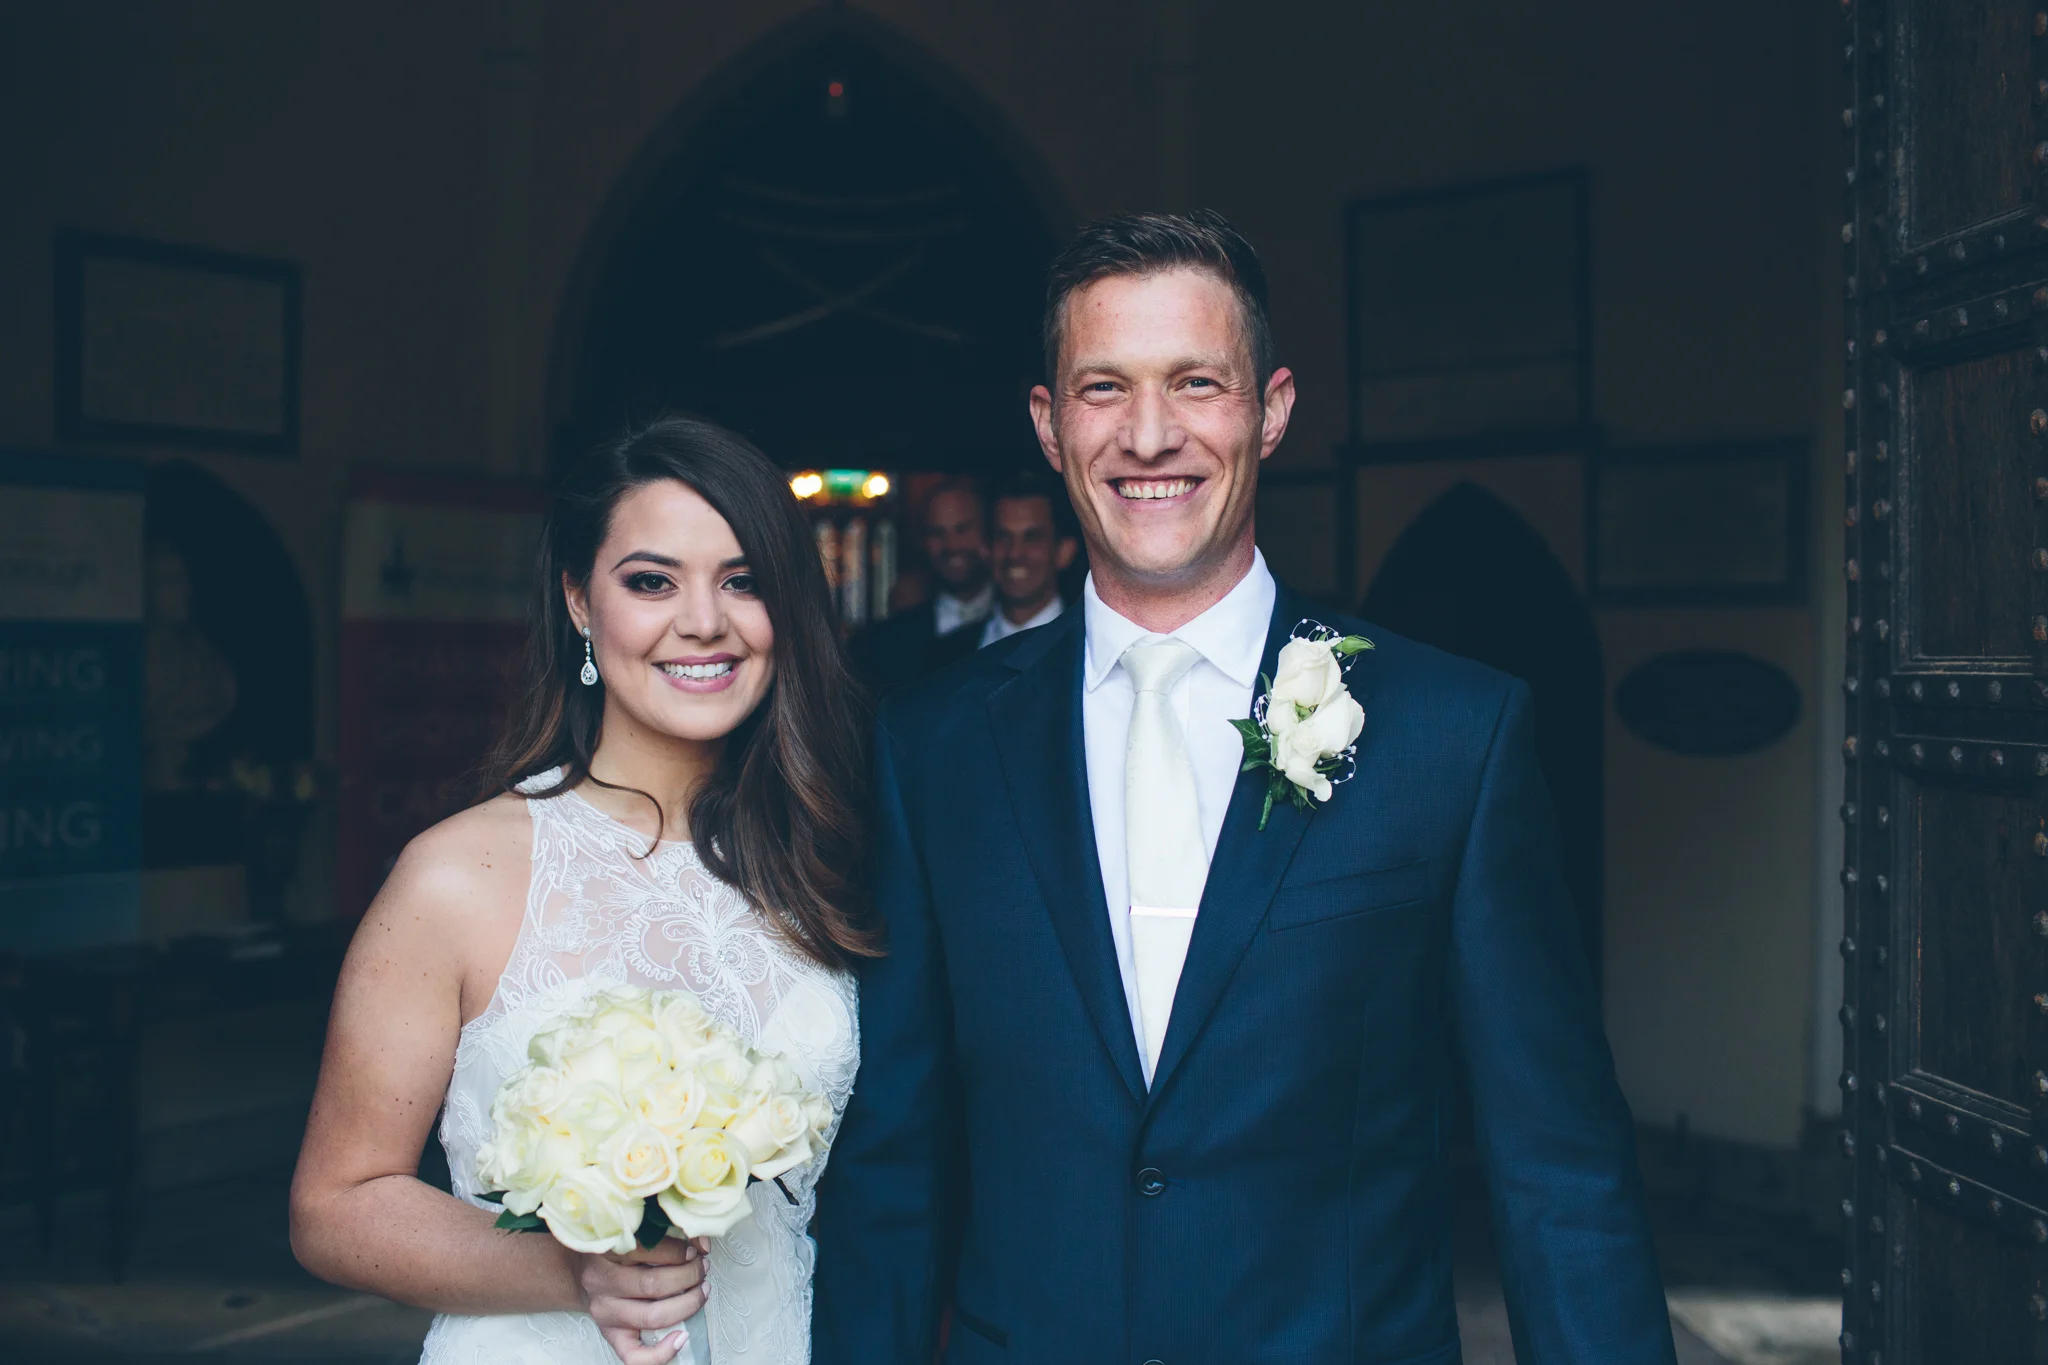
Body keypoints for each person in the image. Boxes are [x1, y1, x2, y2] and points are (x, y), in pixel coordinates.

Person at [812, 212, 1677, 1363]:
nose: (1149, 435)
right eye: (1103, 389)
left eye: (1196, 384)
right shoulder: (931, 752)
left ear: (1268, 412)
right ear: (1048, 424)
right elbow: (893, 1169)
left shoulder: (1451, 735)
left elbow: (1555, 1164)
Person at [291, 415, 874, 1365]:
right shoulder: (458, 875)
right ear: (578, 602)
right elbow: (334, 1207)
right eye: (652, 581)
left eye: (743, 580)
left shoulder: (832, 865)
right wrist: (573, 1270)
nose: (703, 620)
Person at [847, 478, 990, 693]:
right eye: (937, 533)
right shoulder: (884, 642)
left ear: (987, 533)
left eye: (962, 529)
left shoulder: (1019, 619)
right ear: (922, 541)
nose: (951, 545)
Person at [958, 469, 1079, 650]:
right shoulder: (950, 652)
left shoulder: (1091, 646)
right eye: (1003, 537)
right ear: (985, 549)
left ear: (1064, 552)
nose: (1014, 554)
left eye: (1032, 538)